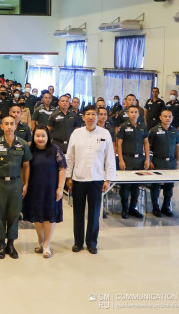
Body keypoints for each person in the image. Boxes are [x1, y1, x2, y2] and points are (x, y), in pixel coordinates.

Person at [65, 105, 116, 254]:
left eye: (94, 114)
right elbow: (70, 156)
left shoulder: (105, 133)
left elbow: (110, 158)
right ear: (83, 117)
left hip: (97, 178)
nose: (91, 117)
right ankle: (78, 242)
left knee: (94, 213)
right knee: (78, 212)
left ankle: (92, 242)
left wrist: (108, 179)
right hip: (78, 178)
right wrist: (68, 176)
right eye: (88, 114)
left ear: (98, 116)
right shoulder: (76, 133)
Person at [0, 115, 31, 260]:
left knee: (14, 214)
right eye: (6, 124)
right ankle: (1, 244)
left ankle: (11, 244)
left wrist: (26, 184)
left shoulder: (22, 144)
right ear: (2, 126)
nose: (9, 126)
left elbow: (26, 165)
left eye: (12, 124)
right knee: (0, 214)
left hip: (16, 183)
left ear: (15, 126)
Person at [22, 125, 66, 258]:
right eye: (37, 136)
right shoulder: (29, 150)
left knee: (48, 217)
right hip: (34, 189)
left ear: (48, 137)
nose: (40, 138)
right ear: (33, 137)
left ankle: (47, 244)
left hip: (51, 189)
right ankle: (40, 240)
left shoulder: (55, 150)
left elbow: (62, 169)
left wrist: (60, 188)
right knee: (37, 217)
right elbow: (23, 168)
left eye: (43, 136)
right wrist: (24, 185)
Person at [116, 105, 150, 219]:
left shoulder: (142, 126)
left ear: (138, 114)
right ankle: (124, 209)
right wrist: (120, 160)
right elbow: (119, 144)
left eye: (135, 112)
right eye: (131, 112)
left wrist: (147, 158)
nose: (134, 114)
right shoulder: (123, 126)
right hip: (127, 159)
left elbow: (146, 143)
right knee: (125, 187)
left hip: (139, 160)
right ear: (128, 113)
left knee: (136, 186)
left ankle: (132, 208)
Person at [148, 110, 179, 217]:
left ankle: (166, 207)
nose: (167, 118)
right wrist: (150, 160)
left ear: (172, 118)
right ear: (160, 117)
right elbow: (148, 146)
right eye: (165, 116)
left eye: (169, 116)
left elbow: (177, 146)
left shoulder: (174, 131)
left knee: (169, 186)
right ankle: (155, 207)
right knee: (156, 186)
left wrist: (178, 159)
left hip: (171, 162)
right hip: (158, 161)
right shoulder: (154, 130)